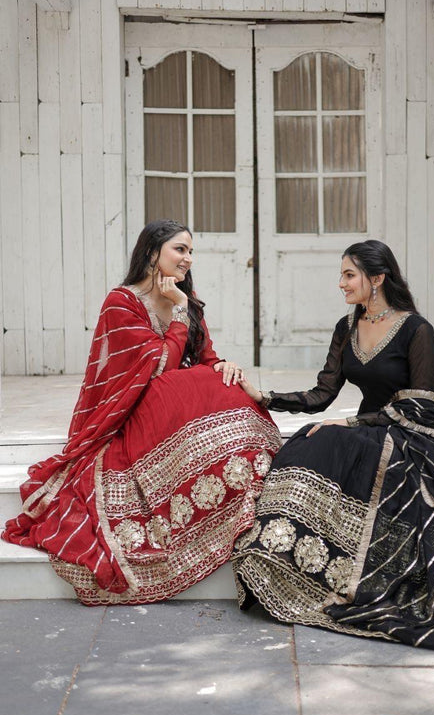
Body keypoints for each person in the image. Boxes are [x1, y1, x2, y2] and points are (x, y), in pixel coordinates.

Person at [233, 239, 434, 652]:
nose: (341, 283)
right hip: (368, 427)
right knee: (309, 442)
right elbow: (323, 393)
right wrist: (266, 397)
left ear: (378, 278)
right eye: (341, 274)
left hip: (414, 429)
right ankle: (293, 560)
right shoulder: (347, 327)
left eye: (349, 274)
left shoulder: (416, 329)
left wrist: (355, 420)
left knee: (354, 447)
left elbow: (419, 402)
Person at [2, 220, 281, 605]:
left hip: (177, 410)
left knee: (217, 381)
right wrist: (180, 315)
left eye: (190, 251)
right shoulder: (122, 302)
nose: (188, 259)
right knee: (186, 382)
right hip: (136, 411)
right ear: (153, 253)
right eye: (179, 249)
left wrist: (225, 367)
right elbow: (157, 368)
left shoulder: (187, 298)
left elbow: (206, 357)